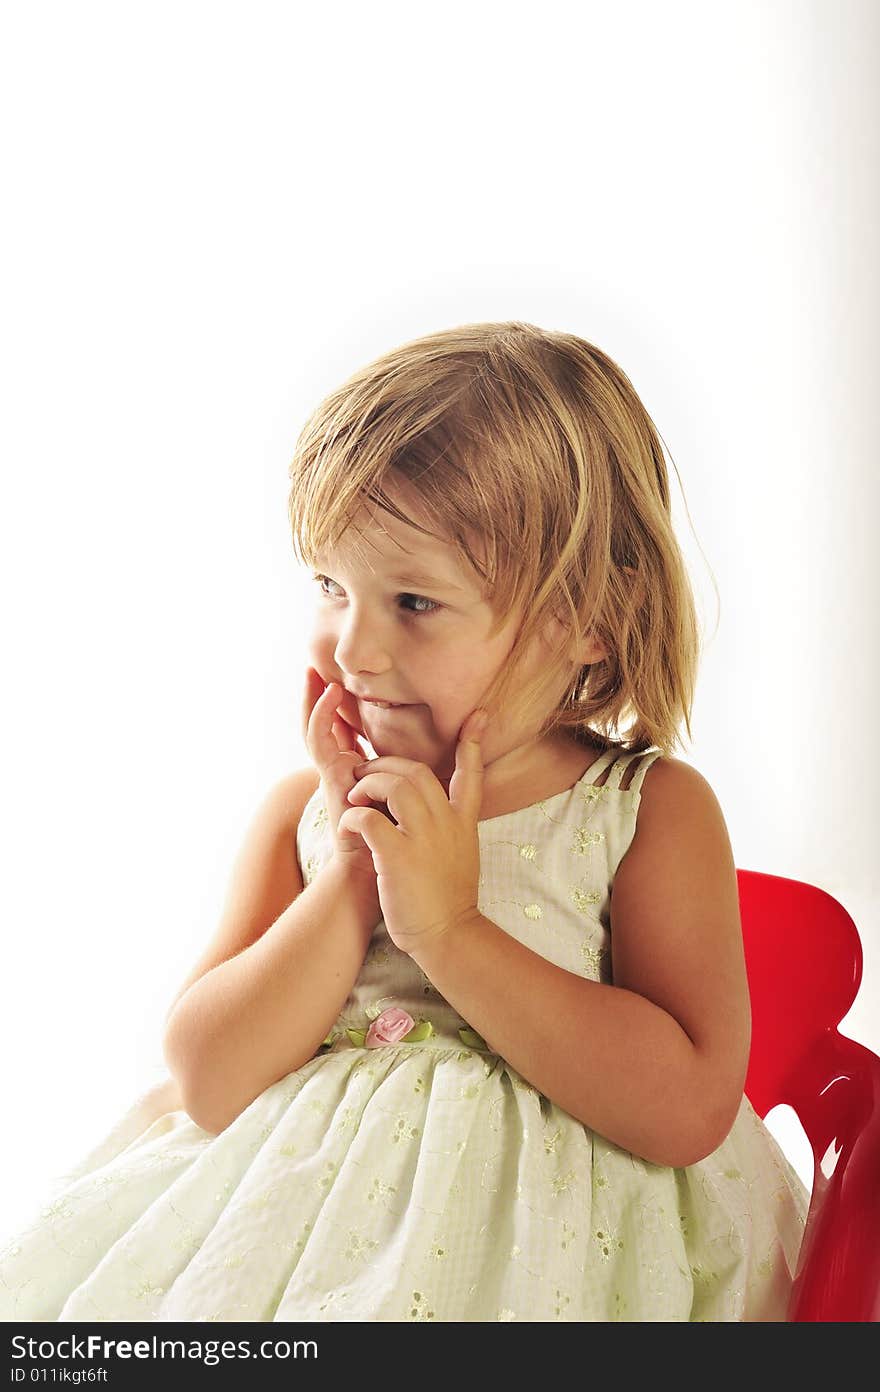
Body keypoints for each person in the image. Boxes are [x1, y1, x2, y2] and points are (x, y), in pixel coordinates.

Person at [0, 321, 809, 1322]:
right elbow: (209, 1080)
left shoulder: (639, 813)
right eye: (333, 587)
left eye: (414, 602)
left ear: (586, 619)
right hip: (294, 1239)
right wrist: (350, 869)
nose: (353, 649)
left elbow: (685, 1108)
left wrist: (446, 930)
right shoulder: (306, 813)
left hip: (549, 1257)